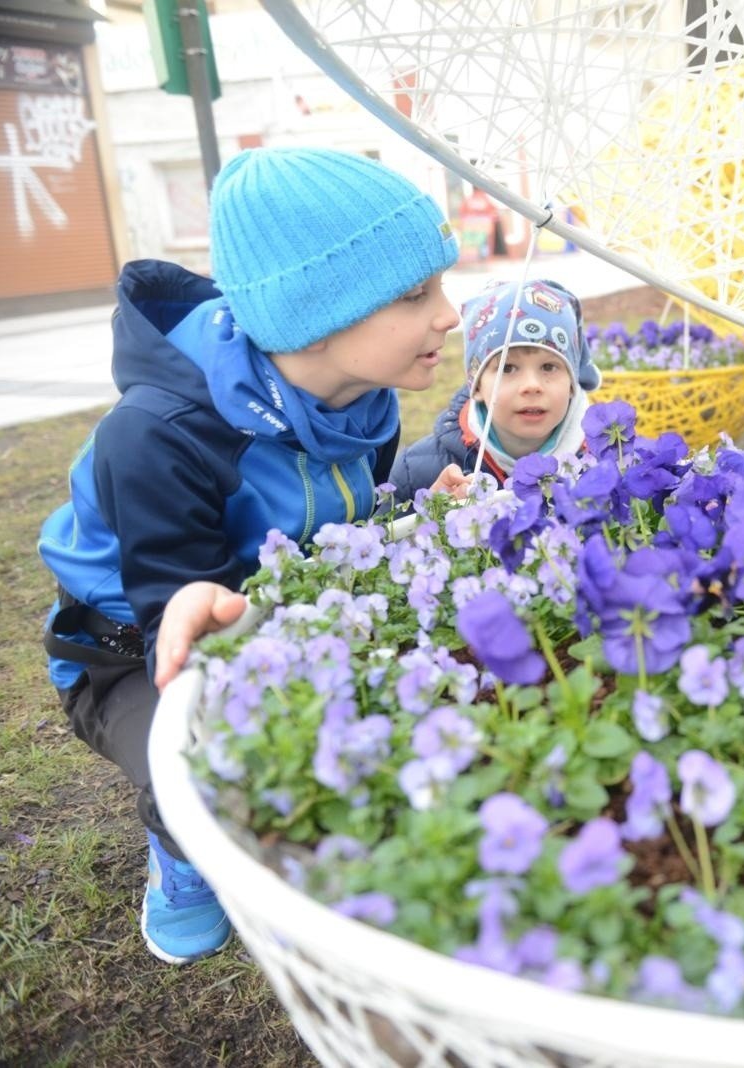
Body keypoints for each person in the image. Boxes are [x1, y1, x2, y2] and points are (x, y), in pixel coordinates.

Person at [37, 146, 461, 965]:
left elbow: (348, 515)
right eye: (416, 295)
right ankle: (179, 850)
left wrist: (407, 513)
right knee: (203, 761)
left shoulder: (362, 399)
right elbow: (179, 618)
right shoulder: (156, 437)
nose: (448, 314)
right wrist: (220, 614)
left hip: (273, 601)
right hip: (129, 655)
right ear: (314, 313)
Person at [386, 276, 601, 502]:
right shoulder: (419, 471)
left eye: (549, 366)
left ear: (571, 384)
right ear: (476, 385)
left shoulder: (607, 459)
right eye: (507, 368)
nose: (531, 386)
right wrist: (436, 516)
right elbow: (389, 534)